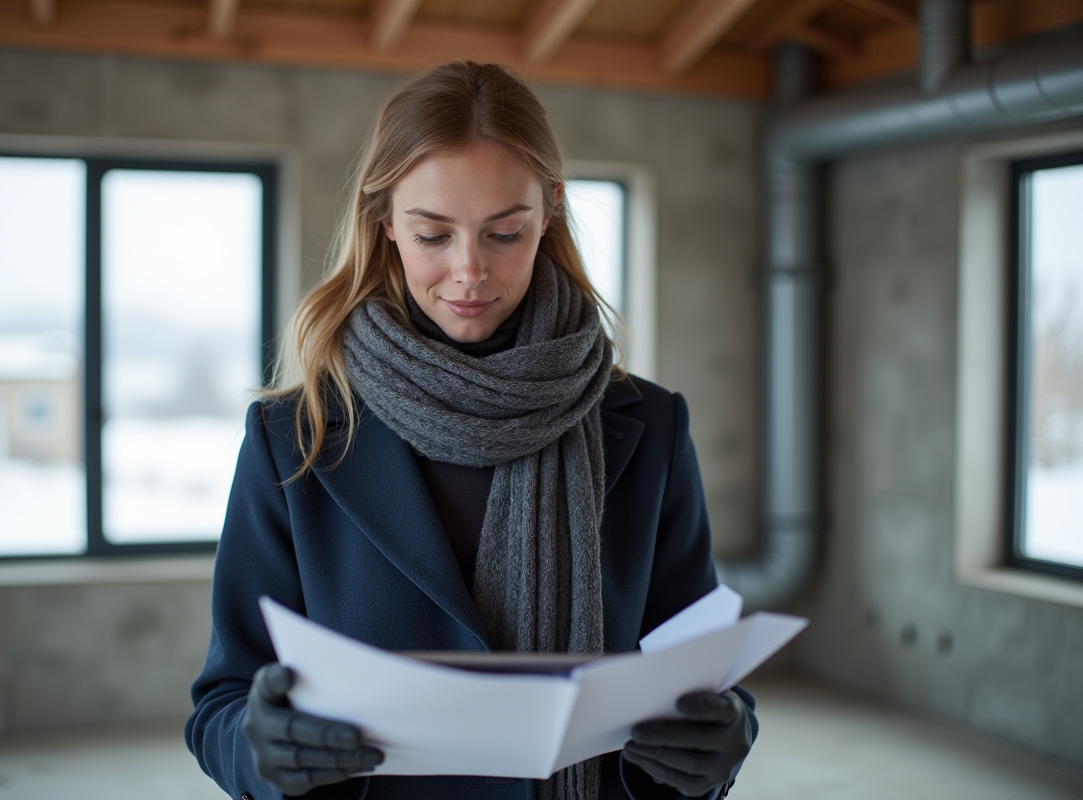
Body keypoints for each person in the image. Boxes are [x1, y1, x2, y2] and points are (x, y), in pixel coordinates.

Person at [186, 61, 757, 800]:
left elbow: (694, 670)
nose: (469, 272)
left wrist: (723, 741)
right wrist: (258, 751)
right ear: (383, 220)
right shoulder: (294, 434)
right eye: (433, 235)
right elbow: (225, 701)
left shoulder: (648, 425)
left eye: (504, 233)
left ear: (549, 211)